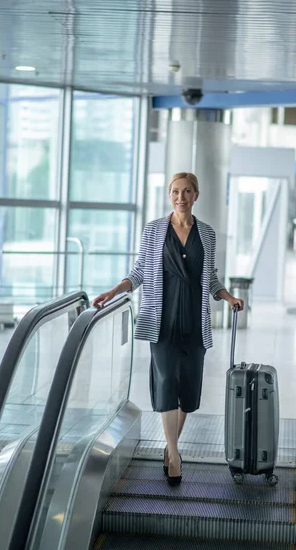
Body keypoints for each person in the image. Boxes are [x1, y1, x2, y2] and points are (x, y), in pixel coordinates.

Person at [93, 172, 244, 486]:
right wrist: (113, 291)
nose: (181, 197)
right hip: (161, 322)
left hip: (194, 319)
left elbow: (212, 278)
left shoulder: (207, 233)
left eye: (187, 191)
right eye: (175, 191)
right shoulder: (153, 231)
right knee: (165, 384)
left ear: (196, 195)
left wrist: (228, 297)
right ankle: (174, 454)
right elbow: (138, 274)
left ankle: (169, 446)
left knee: (188, 388)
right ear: (169, 195)